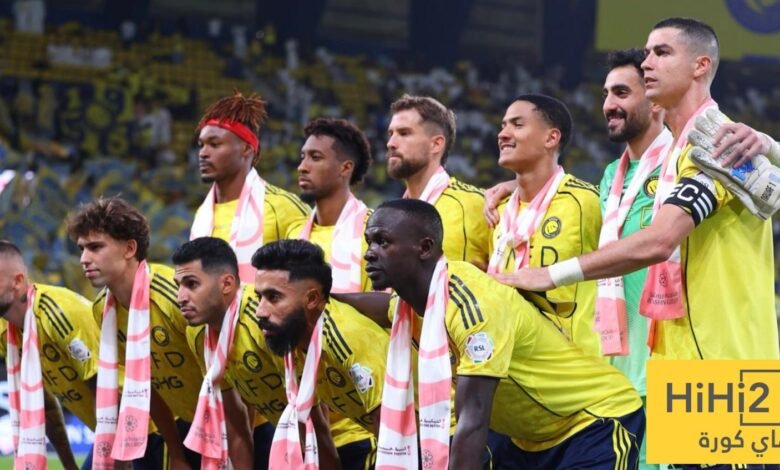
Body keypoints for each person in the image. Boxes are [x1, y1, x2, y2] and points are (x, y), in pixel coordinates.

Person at [493, 18, 779, 360]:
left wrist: (550, 275)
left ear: (700, 66)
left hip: (724, 359)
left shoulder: (721, 144)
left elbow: (660, 240)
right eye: (647, 53)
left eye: (662, 52)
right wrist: (521, 185)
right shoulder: (675, 152)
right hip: (678, 354)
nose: (647, 63)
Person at [363, 199, 644, 469]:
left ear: (425, 248)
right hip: (528, 440)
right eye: (369, 242)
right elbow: (384, 308)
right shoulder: (416, 304)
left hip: (592, 422)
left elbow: (472, 420)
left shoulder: (473, 304)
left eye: (382, 242)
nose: (369, 252)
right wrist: (337, 301)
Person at [67, 197, 251, 469]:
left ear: (130, 248)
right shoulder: (103, 311)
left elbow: (233, 377)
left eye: (95, 247)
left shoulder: (176, 298)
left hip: (244, 423)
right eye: (82, 249)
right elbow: (148, 386)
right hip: (189, 426)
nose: (84, 259)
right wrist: (176, 453)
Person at [598, 48, 674, 470]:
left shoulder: (689, 162)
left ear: (655, 102)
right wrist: (513, 187)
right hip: (622, 376)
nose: (609, 104)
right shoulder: (612, 177)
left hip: (683, 374)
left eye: (622, 93)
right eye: (607, 93)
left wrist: (769, 145)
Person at [253, 239, 392, 469]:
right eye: (259, 297)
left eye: (273, 297)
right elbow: (316, 429)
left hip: (436, 436)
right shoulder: (293, 339)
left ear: (312, 299)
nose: (260, 311)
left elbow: (393, 426)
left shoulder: (346, 335)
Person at [488, 94, 602, 358]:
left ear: (551, 138)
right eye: (503, 125)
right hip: (512, 362)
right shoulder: (498, 211)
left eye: (517, 125)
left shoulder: (586, 202)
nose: (503, 134)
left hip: (575, 365)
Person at [190, 91, 309, 284]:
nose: (203, 153)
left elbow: (311, 277)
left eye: (214, 144)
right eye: (201, 145)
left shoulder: (282, 207)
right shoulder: (202, 214)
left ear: (246, 149)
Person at [0, 240, 99, 470]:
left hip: (149, 429)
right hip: (114, 433)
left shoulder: (56, 313)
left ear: (18, 282)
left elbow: (106, 388)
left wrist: (122, 460)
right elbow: (46, 407)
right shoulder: (8, 332)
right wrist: (70, 466)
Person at [387, 94, 490, 268]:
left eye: (404, 133)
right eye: (391, 134)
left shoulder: (477, 204)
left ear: (436, 144)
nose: (391, 143)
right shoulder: (391, 217)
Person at [288, 117, 374, 292]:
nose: (302, 167)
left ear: (345, 168)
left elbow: (385, 303)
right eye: (303, 157)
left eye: (315, 157)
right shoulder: (294, 232)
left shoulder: (374, 231)